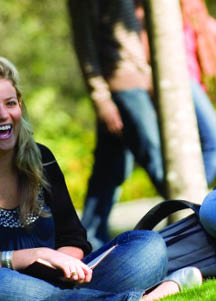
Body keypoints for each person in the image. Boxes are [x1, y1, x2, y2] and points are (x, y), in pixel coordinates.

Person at [0, 56, 202, 301]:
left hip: (62, 287)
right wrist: (35, 256)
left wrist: (68, 264)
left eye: (10, 103)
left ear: (20, 106)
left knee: (147, 245)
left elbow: (75, 239)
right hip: (0, 291)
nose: (3, 115)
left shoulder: (41, 159)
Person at [67, 0, 165, 249]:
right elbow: (85, 43)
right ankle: (194, 219)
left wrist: (149, 74)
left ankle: (87, 242)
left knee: (109, 171)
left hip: (137, 82)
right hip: (122, 89)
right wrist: (101, 97)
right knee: (157, 161)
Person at [135, 0, 216, 187]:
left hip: (193, 79)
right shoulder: (151, 9)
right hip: (179, 78)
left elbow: (206, 28)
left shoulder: (193, 9)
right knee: (213, 142)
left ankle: (190, 197)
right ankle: (193, 195)